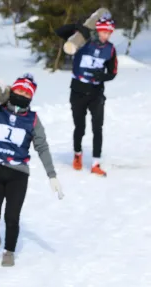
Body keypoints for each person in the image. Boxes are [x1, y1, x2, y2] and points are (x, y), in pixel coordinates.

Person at [0, 73, 64, 267]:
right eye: (18, 89)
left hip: (17, 175)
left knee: (11, 216)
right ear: (12, 90)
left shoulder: (33, 120)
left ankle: (9, 251)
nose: (21, 93)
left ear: (30, 97)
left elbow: (42, 147)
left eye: (25, 92)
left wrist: (52, 176)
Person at [55, 14, 118, 177]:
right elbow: (59, 32)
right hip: (78, 91)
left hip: (96, 93)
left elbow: (113, 72)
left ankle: (96, 163)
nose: (105, 35)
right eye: (103, 32)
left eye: (108, 33)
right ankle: (77, 154)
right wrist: (76, 27)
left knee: (98, 128)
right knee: (80, 127)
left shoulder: (110, 49)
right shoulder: (83, 40)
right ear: (97, 30)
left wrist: (102, 76)